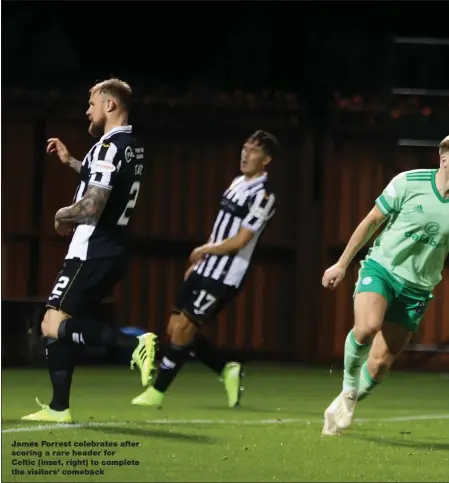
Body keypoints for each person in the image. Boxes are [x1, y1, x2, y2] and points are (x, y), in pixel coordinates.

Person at [22, 78, 157, 423]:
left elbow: (94, 206)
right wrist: (71, 163)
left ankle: (134, 345)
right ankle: (58, 408)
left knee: (52, 323)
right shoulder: (128, 145)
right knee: (58, 321)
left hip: (92, 249)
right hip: (109, 249)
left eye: (92, 102)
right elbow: (103, 182)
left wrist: (60, 214)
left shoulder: (108, 147)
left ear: (110, 105)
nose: (88, 110)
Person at [131, 130, 278, 408]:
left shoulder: (264, 196)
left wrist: (204, 250)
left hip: (226, 274)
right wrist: (201, 262)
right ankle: (225, 368)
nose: (245, 154)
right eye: (244, 147)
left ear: (266, 160)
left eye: (254, 150)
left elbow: (241, 240)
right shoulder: (237, 183)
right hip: (207, 267)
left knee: (185, 328)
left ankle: (157, 392)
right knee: (175, 329)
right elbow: (222, 229)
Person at [321, 135, 449, 436]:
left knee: (379, 366)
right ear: (444, 157)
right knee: (367, 327)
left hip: (417, 288)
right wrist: (341, 263)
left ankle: (341, 404)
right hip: (382, 269)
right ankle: (348, 390)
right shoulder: (409, 182)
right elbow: (371, 221)